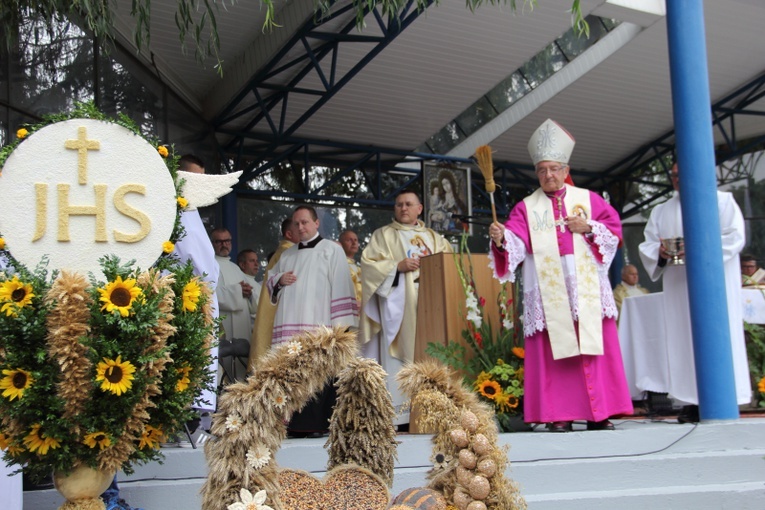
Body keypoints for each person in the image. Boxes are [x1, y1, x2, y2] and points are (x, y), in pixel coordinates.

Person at [488, 119, 633, 432]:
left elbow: (614, 231)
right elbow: (515, 240)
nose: (548, 175)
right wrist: (501, 239)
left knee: (592, 344)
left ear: (565, 169)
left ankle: (599, 413)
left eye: (554, 169)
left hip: (587, 286)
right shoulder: (526, 207)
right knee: (554, 350)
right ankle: (559, 414)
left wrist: (589, 227)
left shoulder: (589, 200)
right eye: (542, 170)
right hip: (549, 286)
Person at [638, 162, 750, 423]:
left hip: (714, 283)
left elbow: (734, 237)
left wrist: (698, 247)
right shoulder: (661, 210)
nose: (678, 179)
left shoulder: (722, 201)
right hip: (679, 286)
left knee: (717, 335)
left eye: (683, 174)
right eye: (674, 175)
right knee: (683, 338)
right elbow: (649, 243)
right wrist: (661, 253)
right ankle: (690, 401)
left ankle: (725, 398)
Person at [359, 189, 453, 426]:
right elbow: (369, 266)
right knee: (399, 361)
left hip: (433, 307)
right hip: (400, 310)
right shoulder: (383, 235)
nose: (403, 208)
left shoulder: (435, 238)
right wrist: (396, 267)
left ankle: (435, 412)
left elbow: (451, 265)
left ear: (419, 209)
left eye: (409, 204)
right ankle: (400, 417)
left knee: (433, 356)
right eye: (399, 204)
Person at [267, 205, 358, 436]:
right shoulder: (286, 255)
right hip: (291, 324)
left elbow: (341, 285)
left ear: (316, 224)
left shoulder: (332, 250)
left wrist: (340, 329)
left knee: (320, 376)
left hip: (320, 324)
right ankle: (293, 425)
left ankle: (317, 425)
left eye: (305, 222)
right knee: (292, 375)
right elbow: (269, 284)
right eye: (296, 223)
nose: (300, 227)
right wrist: (279, 280)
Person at [249, 217, 299, 369]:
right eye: (299, 227)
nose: (303, 231)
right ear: (289, 234)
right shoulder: (288, 254)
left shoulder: (286, 252)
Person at [211, 228, 253, 342]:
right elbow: (208, 294)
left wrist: (248, 292)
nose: (224, 245)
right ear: (212, 243)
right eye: (219, 242)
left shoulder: (236, 268)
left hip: (241, 322)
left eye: (227, 241)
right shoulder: (209, 266)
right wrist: (237, 291)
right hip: (222, 320)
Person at [237, 248, 262, 330]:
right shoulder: (240, 282)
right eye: (252, 261)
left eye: (256, 260)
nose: (256, 264)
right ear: (242, 265)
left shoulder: (258, 285)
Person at [339, 229, 362, 305]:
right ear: (341, 244)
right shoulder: (338, 265)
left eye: (356, 240)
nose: (354, 243)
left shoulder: (359, 268)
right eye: (349, 240)